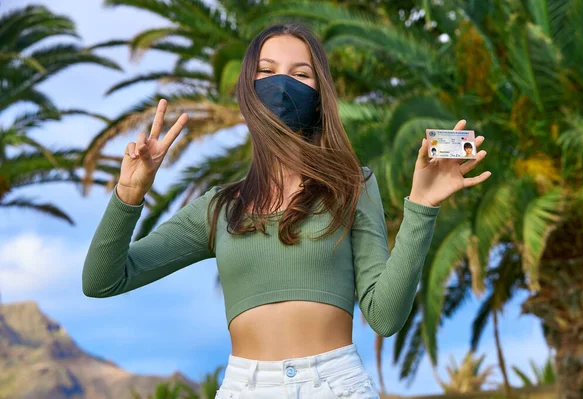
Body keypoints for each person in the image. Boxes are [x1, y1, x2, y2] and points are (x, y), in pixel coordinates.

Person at [82, 23, 490, 399]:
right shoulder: (219, 208)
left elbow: (385, 317)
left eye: (301, 74)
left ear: (318, 95)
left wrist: (420, 206)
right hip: (246, 387)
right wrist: (129, 193)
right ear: (247, 89)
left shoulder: (352, 185)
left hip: (336, 385)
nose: (282, 84)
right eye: (267, 71)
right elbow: (102, 281)